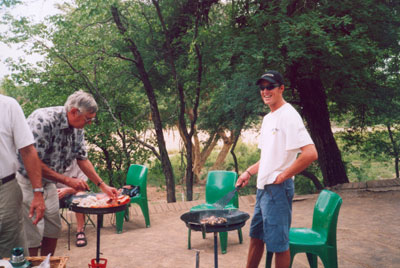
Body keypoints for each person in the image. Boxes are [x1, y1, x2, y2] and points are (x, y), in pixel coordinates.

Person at [16, 90, 118, 256]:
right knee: (33, 231)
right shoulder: (43, 120)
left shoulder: (78, 127)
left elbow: (82, 159)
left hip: (49, 183)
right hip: (28, 183)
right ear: (73, 112)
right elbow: (31, 161)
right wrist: (66, 181)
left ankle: (48, 264)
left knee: (53, 229)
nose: (90, 123)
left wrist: (102, 185)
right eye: (88, 119)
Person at [235, 70, 318, 268]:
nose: (265, 91)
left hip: (277, 190)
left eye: (270, 87)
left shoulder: (289, 115)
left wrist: (283, 176)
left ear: (281, 89)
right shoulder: (268, 119)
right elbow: (267, 157)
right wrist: (249, 172)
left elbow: (310, 153)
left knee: (278, 245)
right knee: (256, 238)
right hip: (263, 189)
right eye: (262, 88)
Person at [0, 94, 45, 258]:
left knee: (12, 253)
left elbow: (27, 150)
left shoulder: (8, 106)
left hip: (5, 190)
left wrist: (38, 192)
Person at [57, 159, 89, 247]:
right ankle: (43, 234)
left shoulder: (80, 163)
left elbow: (83, 188)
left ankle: (80, 231)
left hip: (73, 193)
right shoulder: (53, 160)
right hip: (55, 193)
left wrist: (67, 190)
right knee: (42, 197)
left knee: (80, 195)